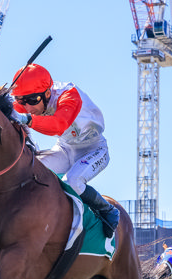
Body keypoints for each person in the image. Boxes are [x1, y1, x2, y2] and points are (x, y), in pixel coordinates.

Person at [9, 64, 120, 238]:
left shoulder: (69, 95)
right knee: (27, 171)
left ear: (47, 93)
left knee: (73, 181)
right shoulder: (30, 101)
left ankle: (107, 209)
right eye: (22, 101)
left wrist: (25, 119)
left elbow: (59, 125)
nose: (27, 107)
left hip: (94, 149)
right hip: (65, 148)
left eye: (31, 100)